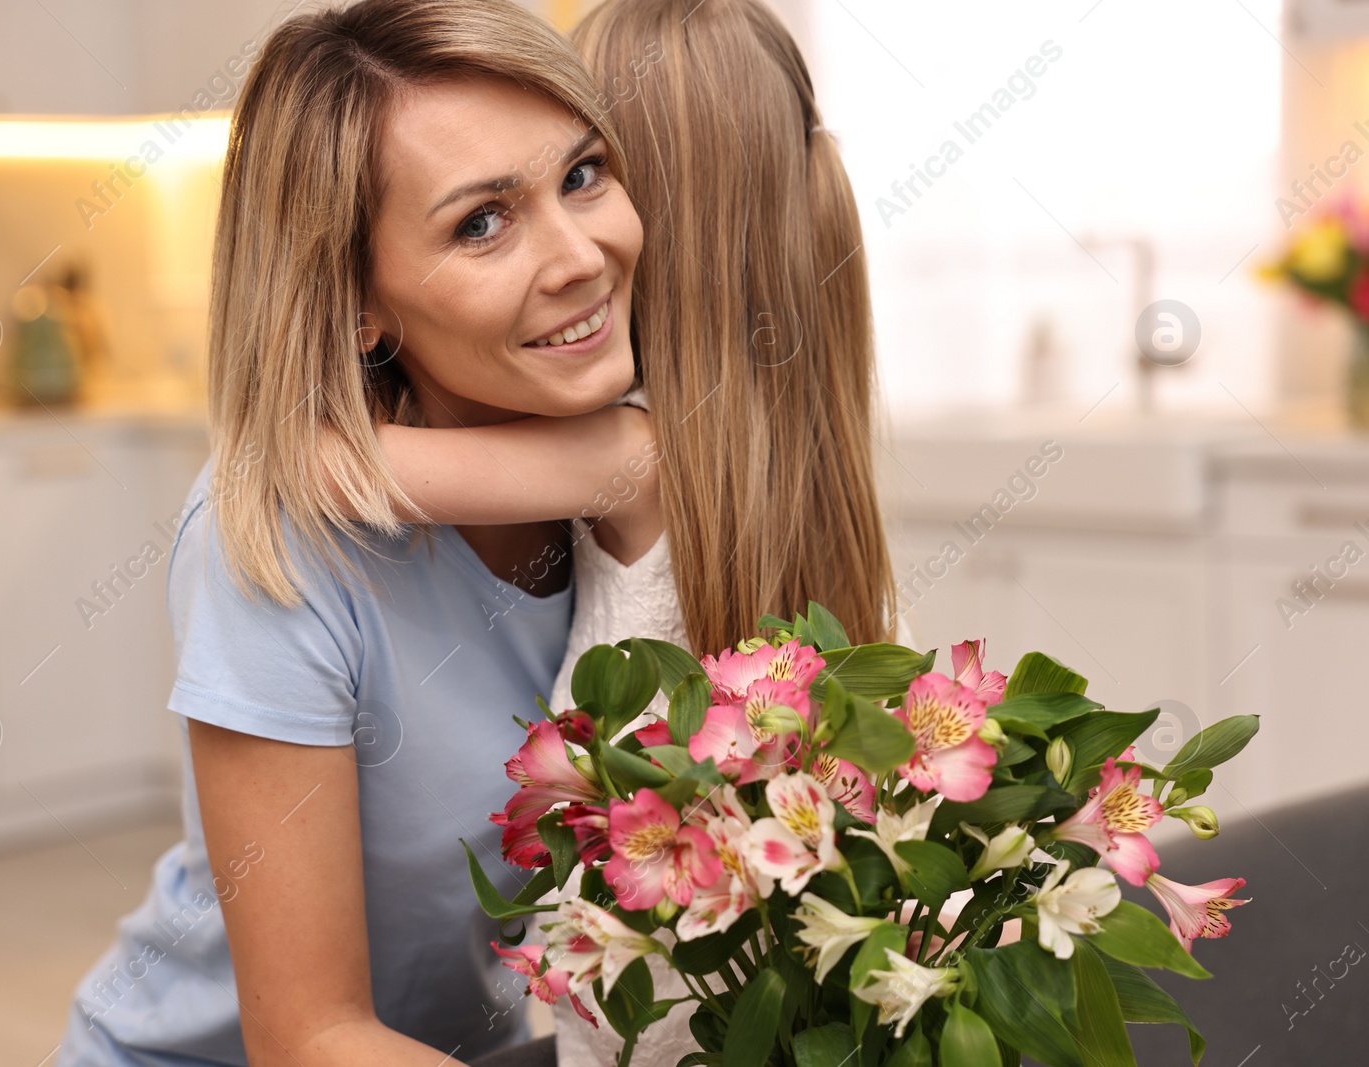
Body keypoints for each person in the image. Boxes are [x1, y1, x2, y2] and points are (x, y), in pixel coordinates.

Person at [54, 2, 657, 1064]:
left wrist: (627, 459)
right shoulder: (281, 544)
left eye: (581, 174)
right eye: (481, 222)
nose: (579, 255)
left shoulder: (620, 477)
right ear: (358, 303)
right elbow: (311, 1034)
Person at [340, 2, 896, 1064]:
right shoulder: (790, 458)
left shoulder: (628, 456)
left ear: (652, 220)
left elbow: (319, 467)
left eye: (583, 174)